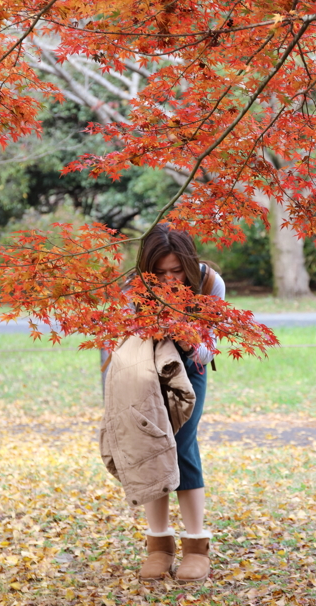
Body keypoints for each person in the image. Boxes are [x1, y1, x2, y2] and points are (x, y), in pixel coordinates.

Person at [131, 224, 224, 583]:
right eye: (160, 274)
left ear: (189, 262)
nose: (170, 280)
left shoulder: (209, 283)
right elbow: (122, 339)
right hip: (145, 370)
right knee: (154, 446)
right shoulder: (135, 290)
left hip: (191, 368)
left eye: (176, 271)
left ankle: (196, 545)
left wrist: (183, 334)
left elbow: (208, 348)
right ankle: (159, 546)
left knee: (183, 446)